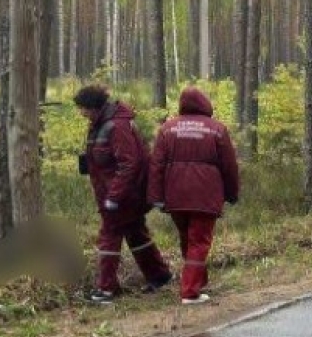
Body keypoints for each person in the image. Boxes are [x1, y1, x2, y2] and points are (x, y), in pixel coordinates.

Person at [73, 85, 173, 303]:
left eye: (83, 109)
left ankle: (106, 289)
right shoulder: (100, 124)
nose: (81, 113)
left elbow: (129, 163)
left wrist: (114, 197)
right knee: (136, 233)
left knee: (109, 235)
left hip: (124, 195)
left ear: (93, 107)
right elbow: (105, 159)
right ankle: (160, 276)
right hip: (118, 194)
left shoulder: (116, 126)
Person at [149, 86, 241, 305]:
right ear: (204, 104)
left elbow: (156, 165)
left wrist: (156, 196)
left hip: (175, 195)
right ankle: (190, 292)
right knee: (199, 242)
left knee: (188, 240)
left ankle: (198, 282)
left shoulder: (167, 129)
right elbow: (229, 166)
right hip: (205, 195)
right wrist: (232, 193)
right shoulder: (217, 129)